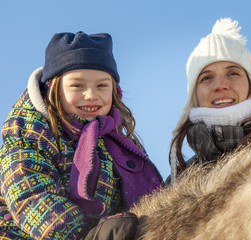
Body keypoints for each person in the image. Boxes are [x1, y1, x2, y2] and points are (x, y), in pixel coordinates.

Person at [0, 31, 163, 239]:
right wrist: (83, 235)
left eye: (102, 85)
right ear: (54, 88)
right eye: (77, 85)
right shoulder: (30, 134)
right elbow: (31, 196)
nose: (91, 95)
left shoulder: (118, 141)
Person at [168, 18, 251, 184]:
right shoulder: (177, 183)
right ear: (194, 95)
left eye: (233, 73)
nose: (220, 85)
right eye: (206, 77)